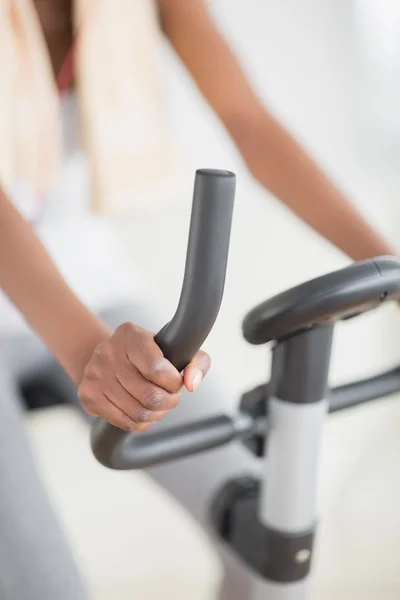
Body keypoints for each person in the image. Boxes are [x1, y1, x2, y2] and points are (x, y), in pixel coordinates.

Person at [0, 1, 397, 600]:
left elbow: (249, 121)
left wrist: (392, 273)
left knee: (270, 536)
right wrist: (87, 351)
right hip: (48, 299)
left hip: (88, 281)